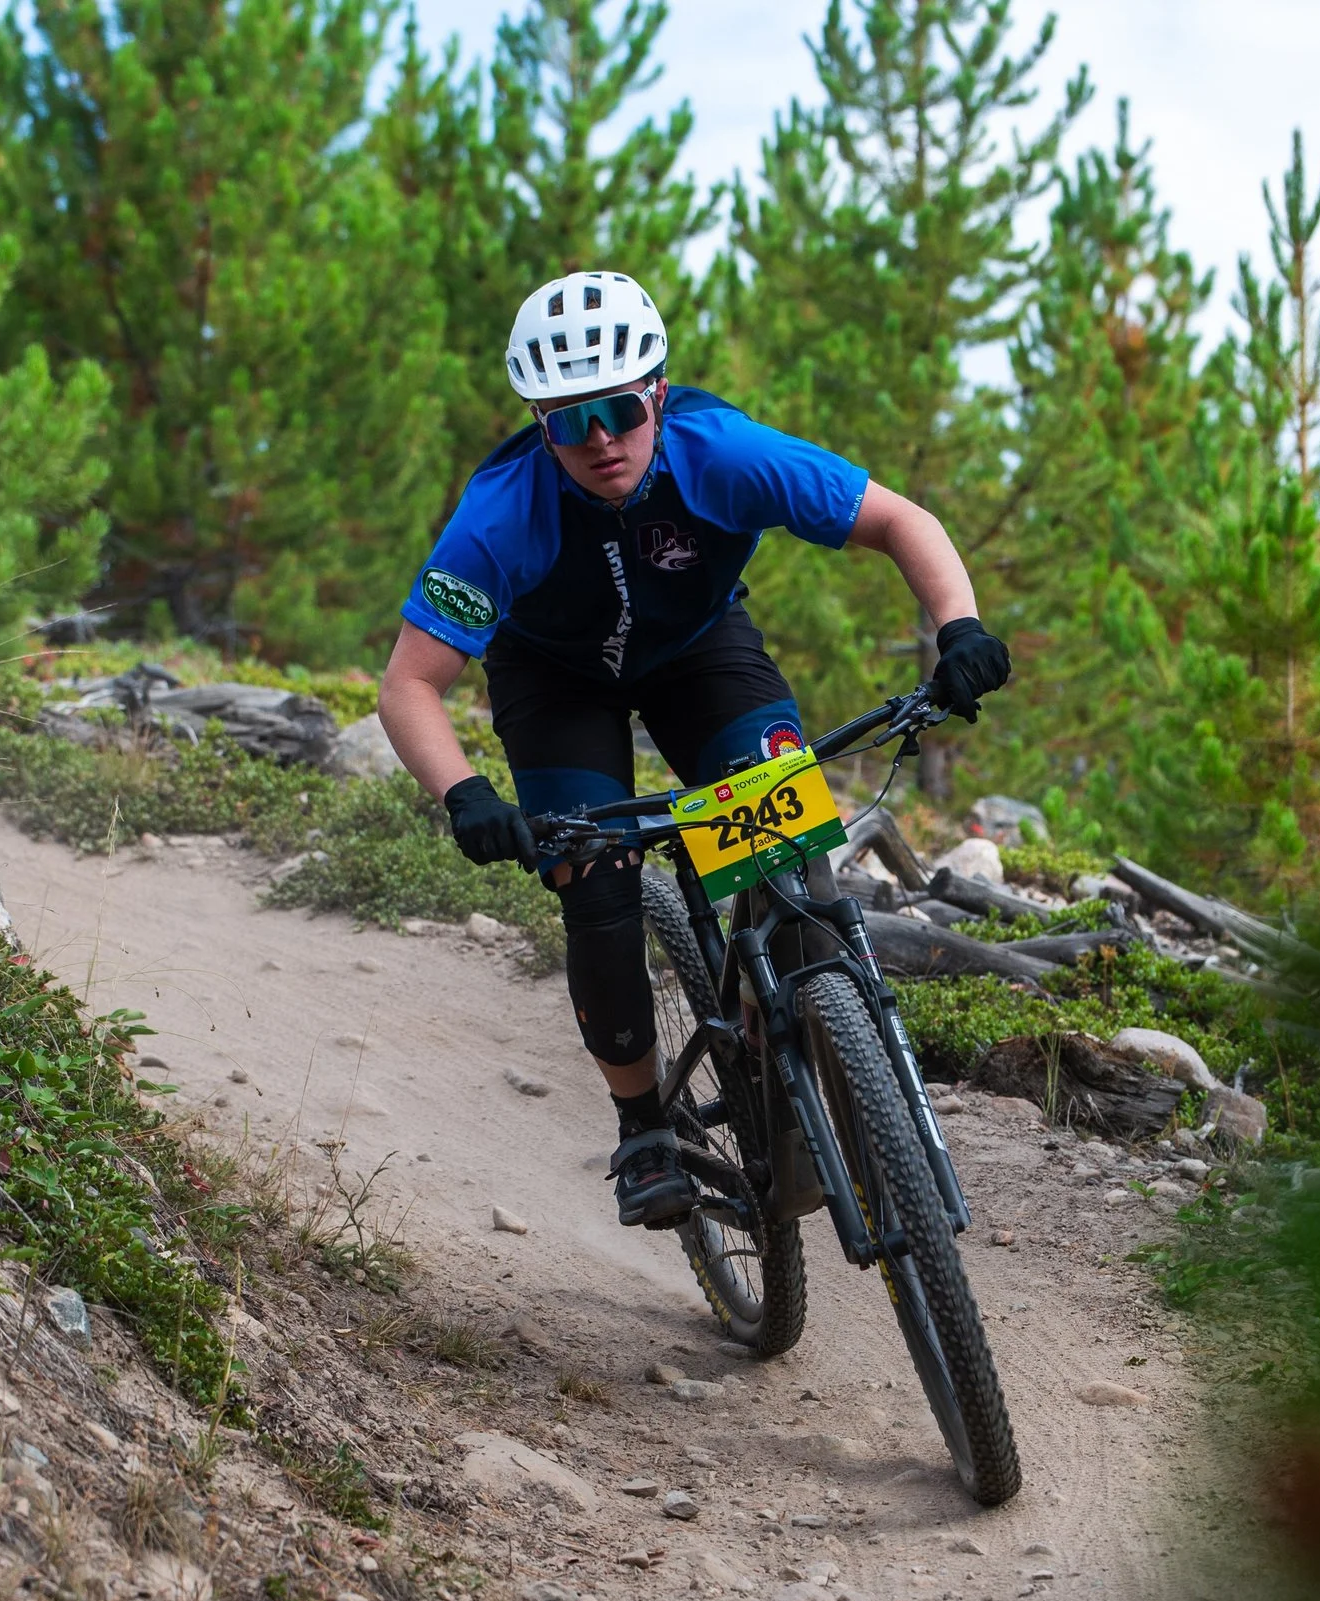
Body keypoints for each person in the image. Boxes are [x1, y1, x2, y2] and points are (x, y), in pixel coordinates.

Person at [377, 270, 1010, 1230]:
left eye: (620, 409)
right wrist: (463, 791)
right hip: (558, 684)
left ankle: (791, 1038)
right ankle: (644, 1127)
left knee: (792, 850)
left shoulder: (720, 453)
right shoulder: (500, 516)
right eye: (569, 419)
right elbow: (410, 683)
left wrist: (958, 626)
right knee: (596, 888)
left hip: (697, 653)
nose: (599, 438)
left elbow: (897, 520)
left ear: (659, 395)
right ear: (541, 424)